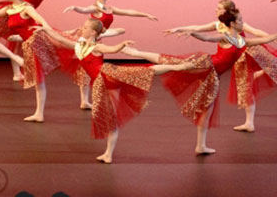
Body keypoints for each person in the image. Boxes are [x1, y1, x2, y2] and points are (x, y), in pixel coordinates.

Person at [122, 8, 277, 154]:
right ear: (232, 23)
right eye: (240, 20)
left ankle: (201, 146)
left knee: (206, 110)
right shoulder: (225, 36)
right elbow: (207, 38)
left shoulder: (241, 40)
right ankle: (136, 54)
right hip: (206, 65)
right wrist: (192, 33)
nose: (242, 23)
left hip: (213, 76)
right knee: (173, 63)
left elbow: (261, 40)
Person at [36, 18, 194, 164]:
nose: (81, 29)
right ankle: (108, 154)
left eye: (85, 27)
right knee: (109, 119)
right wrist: (45, 29)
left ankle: (177, 67)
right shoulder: (79, 46)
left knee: (144, 71)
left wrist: (121, 45)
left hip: (109, 75)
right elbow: (61, 39)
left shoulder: (97, 47)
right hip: (100, 85)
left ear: (92, 32)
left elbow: (111, 49)